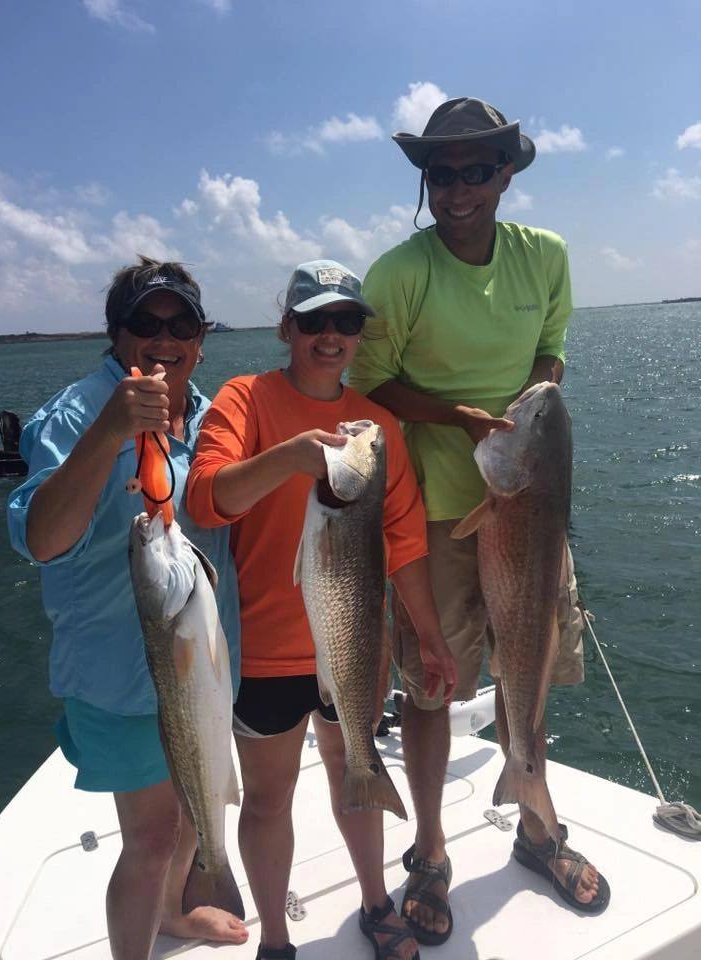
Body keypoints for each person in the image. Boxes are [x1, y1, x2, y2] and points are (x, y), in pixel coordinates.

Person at [348, 97, 610, 944]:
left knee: (529, 671)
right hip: (433, 515)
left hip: (530, 504)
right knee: (429, 689)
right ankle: (429, 853)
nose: (456, 188)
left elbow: (554, 346)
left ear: (506, 172)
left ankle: (539, 830)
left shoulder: (549, 257)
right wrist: (462, 418)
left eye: (474, 170)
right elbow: (371, 383)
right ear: (426, 180)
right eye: (440, 172)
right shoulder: (398, 273)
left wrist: (529, 407)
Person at [186, 259, 457, 960]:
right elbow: (205, 496)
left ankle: (376, 900)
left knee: (355, 769)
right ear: (288, 327)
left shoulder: (377, 426)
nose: (331, 335)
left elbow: (403, 544)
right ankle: (275, 939)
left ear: (360, 335)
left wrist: (429, 637)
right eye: (315, 321)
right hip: (268, 653)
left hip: (358, 641)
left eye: (346, 322)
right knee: (268, 799)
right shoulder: (244, 399)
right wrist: (291, 459)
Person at [7, 257, 248, 960]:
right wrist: (109, 432)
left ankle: (173, 913)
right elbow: (43, 541)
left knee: (188, 814)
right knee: (150, 838)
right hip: (120, 679)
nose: (164, 337)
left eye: (182, 323)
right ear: (117, 334)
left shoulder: (214, 415)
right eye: (146, 322)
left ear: (202, 338)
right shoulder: (77, 413)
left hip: (203, 666)